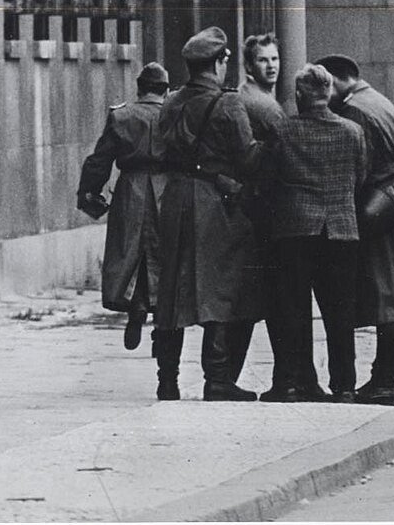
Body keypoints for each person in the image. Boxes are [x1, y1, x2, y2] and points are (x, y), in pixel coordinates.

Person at [154, 26, 263, 401]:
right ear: (218, 63)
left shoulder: (169, 101)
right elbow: (247, 156)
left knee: (172, 287)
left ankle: (166, 379)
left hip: (174, 198)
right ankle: (217, 377)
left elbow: (161, 149)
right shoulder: (229, 104)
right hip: (215, 201)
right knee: (219, 283)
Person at [316, 55, 394, 407]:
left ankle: (386, 380)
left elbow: (357, 166)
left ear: (338, 80)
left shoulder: (355, 111)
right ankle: (385, 375)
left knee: (387, 291)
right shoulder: (377, 98)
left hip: (381, 201)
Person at [76, 62, 183, 400]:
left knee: (130, 257)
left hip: (131, 191)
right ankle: (169, 378)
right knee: (168, 276)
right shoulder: (176, 114)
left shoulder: (121, 116)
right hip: (169, 192)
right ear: (166, 89)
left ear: (139, 88)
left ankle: (136, 304)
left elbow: (99, 160)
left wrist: (89, 195)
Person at [262, 64, 367, 402]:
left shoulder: (283, 132)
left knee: (292, 308)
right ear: (328, 94)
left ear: (298, 96)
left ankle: (292, 383)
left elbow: (270, 176)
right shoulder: (352, 132)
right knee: (341, 312)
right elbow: (360, 177)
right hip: (341, 230)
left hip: (294, 230)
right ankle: (345, 386)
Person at [236, 34, 327, 401]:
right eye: (262, 60)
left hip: (262, 211)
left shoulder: (258, 100)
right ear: (249, 65)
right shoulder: (264, 106)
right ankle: (294, 378)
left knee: (278, 300)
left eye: (274, 59)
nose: (271, 65)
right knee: (282, 300)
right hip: (269, 213)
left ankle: (290, 377)